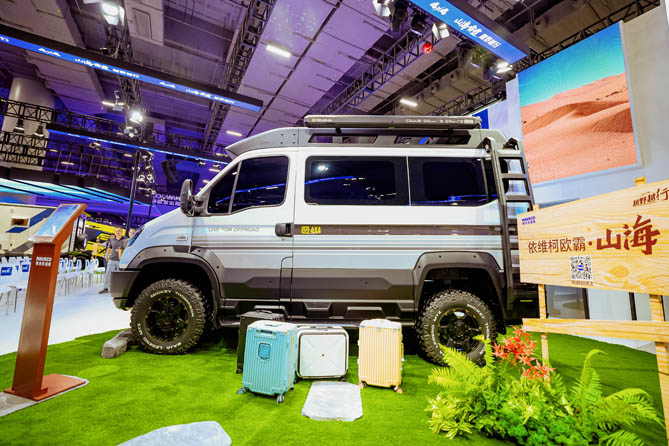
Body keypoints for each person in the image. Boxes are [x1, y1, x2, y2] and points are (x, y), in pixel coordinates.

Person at [100, 227, 126, 294]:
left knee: (121, 275)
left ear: (122, 232)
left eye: (119, 231)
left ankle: (121, 289)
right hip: (112, 259)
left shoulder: (125, 239)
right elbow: (109, 249)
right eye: (116, 231)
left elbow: (127, 249)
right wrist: (106, 256)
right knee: (108, 274)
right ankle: (106, 288)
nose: (118, 232)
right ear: (115, 232)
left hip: (121, 260)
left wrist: (121, 250)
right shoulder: (112, 240)